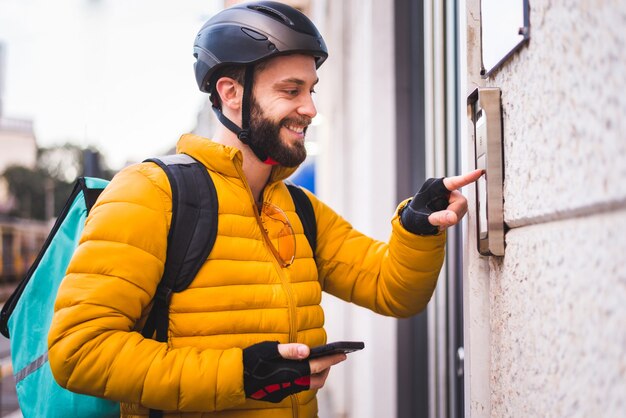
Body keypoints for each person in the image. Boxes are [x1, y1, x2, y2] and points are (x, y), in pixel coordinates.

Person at [48, 2, 482, 417]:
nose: (310, 109)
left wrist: (417, 227)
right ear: (231, 93)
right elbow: (77, 351)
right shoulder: (150, 193)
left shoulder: (299, 209)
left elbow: (394, 291)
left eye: (311, 90)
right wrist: (241, 375)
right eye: (291, 90)